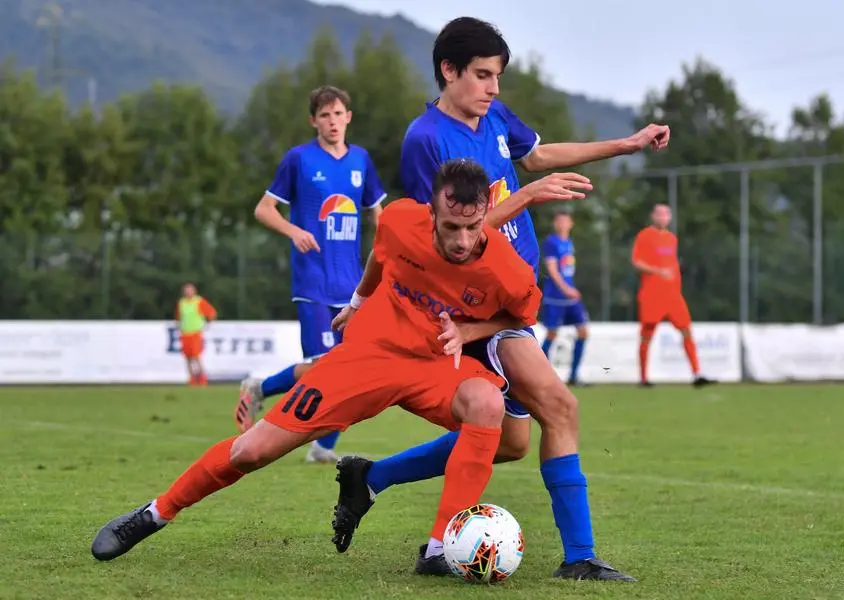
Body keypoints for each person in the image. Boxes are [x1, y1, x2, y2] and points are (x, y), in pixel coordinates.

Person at [331, 16, 671, 582]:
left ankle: (371, 477)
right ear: (448, 70)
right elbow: (447, 238)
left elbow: (536, 156)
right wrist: (528, 197)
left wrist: (627, 144)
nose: (493, 89)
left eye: (497, 77)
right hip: (473, 307)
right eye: (483, 76)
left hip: (511, 302)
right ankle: (579, 557)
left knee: (510, 443)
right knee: (561, 408)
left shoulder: (492, 117)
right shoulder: (426, 139)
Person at [90, 159, 543, 565]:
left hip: (435, 366)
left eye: (473, 228)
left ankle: (441, 549)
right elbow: (381, 256)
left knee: (487, 404)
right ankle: (155, 513)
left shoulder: (510, 271)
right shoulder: (402, 219)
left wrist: (467, 331)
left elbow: (522, 316)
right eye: (450, 228)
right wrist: (359, 299)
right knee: (252, 451)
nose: (462, 241)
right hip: (369, 355)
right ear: (431, 212)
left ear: (486, 214)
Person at [233, 86, 386, 464]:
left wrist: (392, 252)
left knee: (350, 371)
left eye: (338, 114)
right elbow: (264, 209)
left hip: (352, 284)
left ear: (348, 117)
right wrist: (294, 231)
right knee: (325, 366)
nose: (332, 122)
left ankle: (321, 447)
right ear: (313, 121)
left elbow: (379, 214)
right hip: (313, 281)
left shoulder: (362, 161)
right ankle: (262, 389)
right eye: (325, 116)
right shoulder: (299, 160)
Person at [631, 204, 714, 388]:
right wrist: (659, 271)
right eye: (659, 214)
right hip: (652, 295)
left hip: (673, 296)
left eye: (666, 214)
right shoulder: (645, 236)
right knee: (647, 335)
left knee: (686, 330)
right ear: (653, 216)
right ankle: (643, 379)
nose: (663, 217)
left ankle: (697, 374)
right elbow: (636, 262)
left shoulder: (671, 239)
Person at [540, 209, 590, 385]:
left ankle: (574, 375)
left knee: (583, 332)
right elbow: (552, 269)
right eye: (559, 221)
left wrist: (570, 290)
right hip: (556, 296)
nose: (562, 224)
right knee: (552, 333)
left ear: (571, 224)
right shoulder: (551, 242)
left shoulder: (568, 242)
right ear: (555, 224)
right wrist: (566, 289)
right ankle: (539, 375)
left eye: (565, 221)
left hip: (570, 297)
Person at [174, 283, 217, 386]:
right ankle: (191, 378)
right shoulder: (182, 302)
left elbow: (211, 313)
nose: (188, 292)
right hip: (185, 333)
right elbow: (178, 317)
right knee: (188, 357)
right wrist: (178, 325)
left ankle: (202, 377)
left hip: (195, 333)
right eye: (186, 290)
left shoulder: (198, 301)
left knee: (197, 356)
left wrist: (207, 324)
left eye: (190, 290)